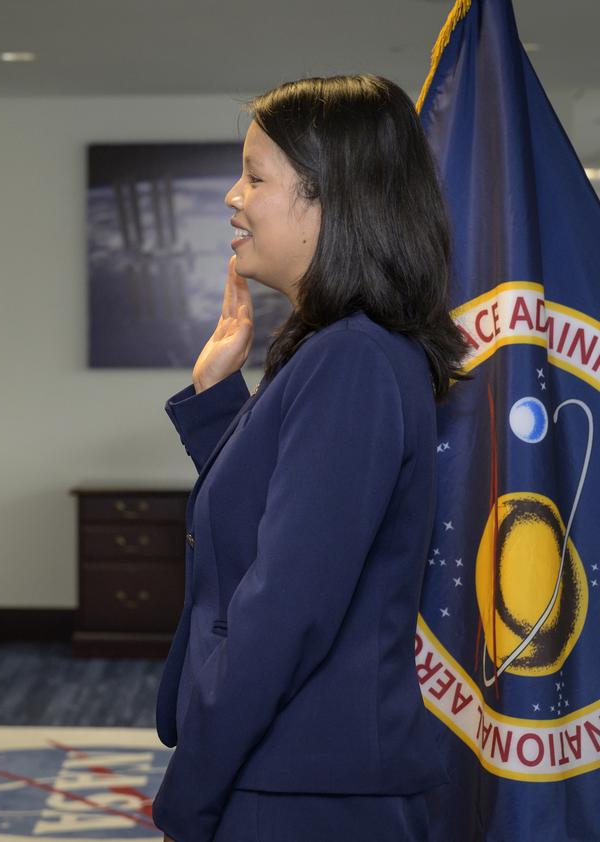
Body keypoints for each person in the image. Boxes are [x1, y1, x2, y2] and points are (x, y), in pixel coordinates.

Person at [151, 76, 469, 842]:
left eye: (256, 176)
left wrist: (187, 798)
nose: (234, 196)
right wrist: (215, 395)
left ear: (333, 198)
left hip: (305, 792)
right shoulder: (339, 351)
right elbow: (269, 525)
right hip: (302, 775)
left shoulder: (352, 360)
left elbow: (283, 616)